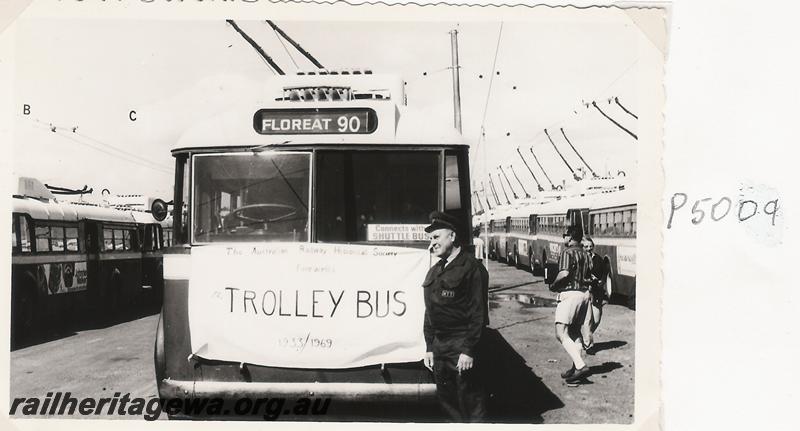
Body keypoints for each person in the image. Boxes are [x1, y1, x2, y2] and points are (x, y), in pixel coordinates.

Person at [422, 211, 489, 422]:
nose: (432, 243)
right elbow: (430, 311)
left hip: (461, 345)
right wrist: (430, 347)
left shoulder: (471, 268)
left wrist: (469, 350)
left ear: (452, 236)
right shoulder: (435, 271)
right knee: (448, 404)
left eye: (436, 237)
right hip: (440, 347)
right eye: (430, 239)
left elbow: (478, 313)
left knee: (471, 403)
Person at [551, 225, 592, 384]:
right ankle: (576, 367)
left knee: (560, 332)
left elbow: (564, 273)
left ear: (570, 237)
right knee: (575, 331)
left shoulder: (567, 252)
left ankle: (580, 366)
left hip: (570, 294)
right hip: (584, 294)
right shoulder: (586, 253)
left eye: (565, 235)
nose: (564, 238)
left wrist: (554, 284)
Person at [581, 237, 607, 354]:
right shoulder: (580, 259)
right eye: (586, 246)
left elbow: (604, 273)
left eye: (590, 246)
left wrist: (601, 281)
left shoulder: (598, 259)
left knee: (596, 319)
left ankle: (584, 338)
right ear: (582, 247)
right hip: (585, 292)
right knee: (587, 320)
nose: (589, 249)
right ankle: (588, 345)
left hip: (597, 292)